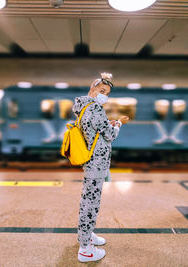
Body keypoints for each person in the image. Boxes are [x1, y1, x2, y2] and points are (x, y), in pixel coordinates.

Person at [72, 72, 129, 262]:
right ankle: (86, 249)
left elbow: (99, 130)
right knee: (91, 204)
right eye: (102, 90)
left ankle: (86, 236)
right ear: (93, 88)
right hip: (96, 163)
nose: (105, 94)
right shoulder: (95, 109)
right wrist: (119, 124)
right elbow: (110, 135)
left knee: (88, 200)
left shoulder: (84, 107)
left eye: (107, 93)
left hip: (91, 161)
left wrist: (109, 125)